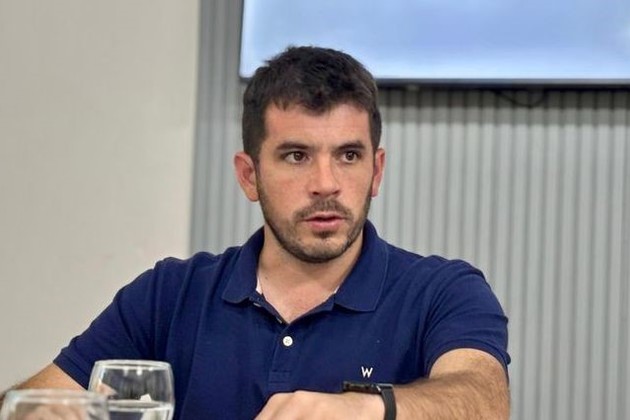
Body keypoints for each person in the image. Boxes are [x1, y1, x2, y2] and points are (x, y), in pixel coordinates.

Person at [1, 46, 510, 419]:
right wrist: (43, 413)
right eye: (296, 156)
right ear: (249, 176)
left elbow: (484, 402)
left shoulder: (442, 291)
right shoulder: (170, 295)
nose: (326, 183)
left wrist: (364, 410)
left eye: (348, 155)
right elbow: (29, 405)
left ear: (376, 171)